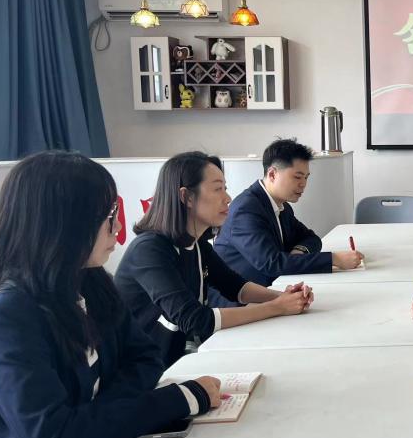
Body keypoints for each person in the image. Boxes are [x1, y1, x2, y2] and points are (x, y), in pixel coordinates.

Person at [0, 152, 223, 438]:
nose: (118, 226)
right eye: (108, 215)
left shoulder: (93, 282)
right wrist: (181, 399)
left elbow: (146, 358)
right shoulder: (8, 317)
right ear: (62, 223)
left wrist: (96, 416)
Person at [115, 151, 314, 366]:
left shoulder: (197, 243)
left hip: (176, 356)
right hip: (144, 368)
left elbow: (235, 287)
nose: (227, 198)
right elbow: (195, 319)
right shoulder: (149, 250)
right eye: (218, 189)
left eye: (225, 188)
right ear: (186, 197)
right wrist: (277, 307)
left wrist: (284, 297)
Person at [213, 139, 363, 303]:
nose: (303, 184)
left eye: (306, 177)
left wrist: (298, 251)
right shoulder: (246, 210)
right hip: (239, 303)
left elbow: (312, 238)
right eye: (297, 177)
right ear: (272, 174)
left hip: (273, 291)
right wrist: (334, 259)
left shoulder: (282, 206)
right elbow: (272, 264)